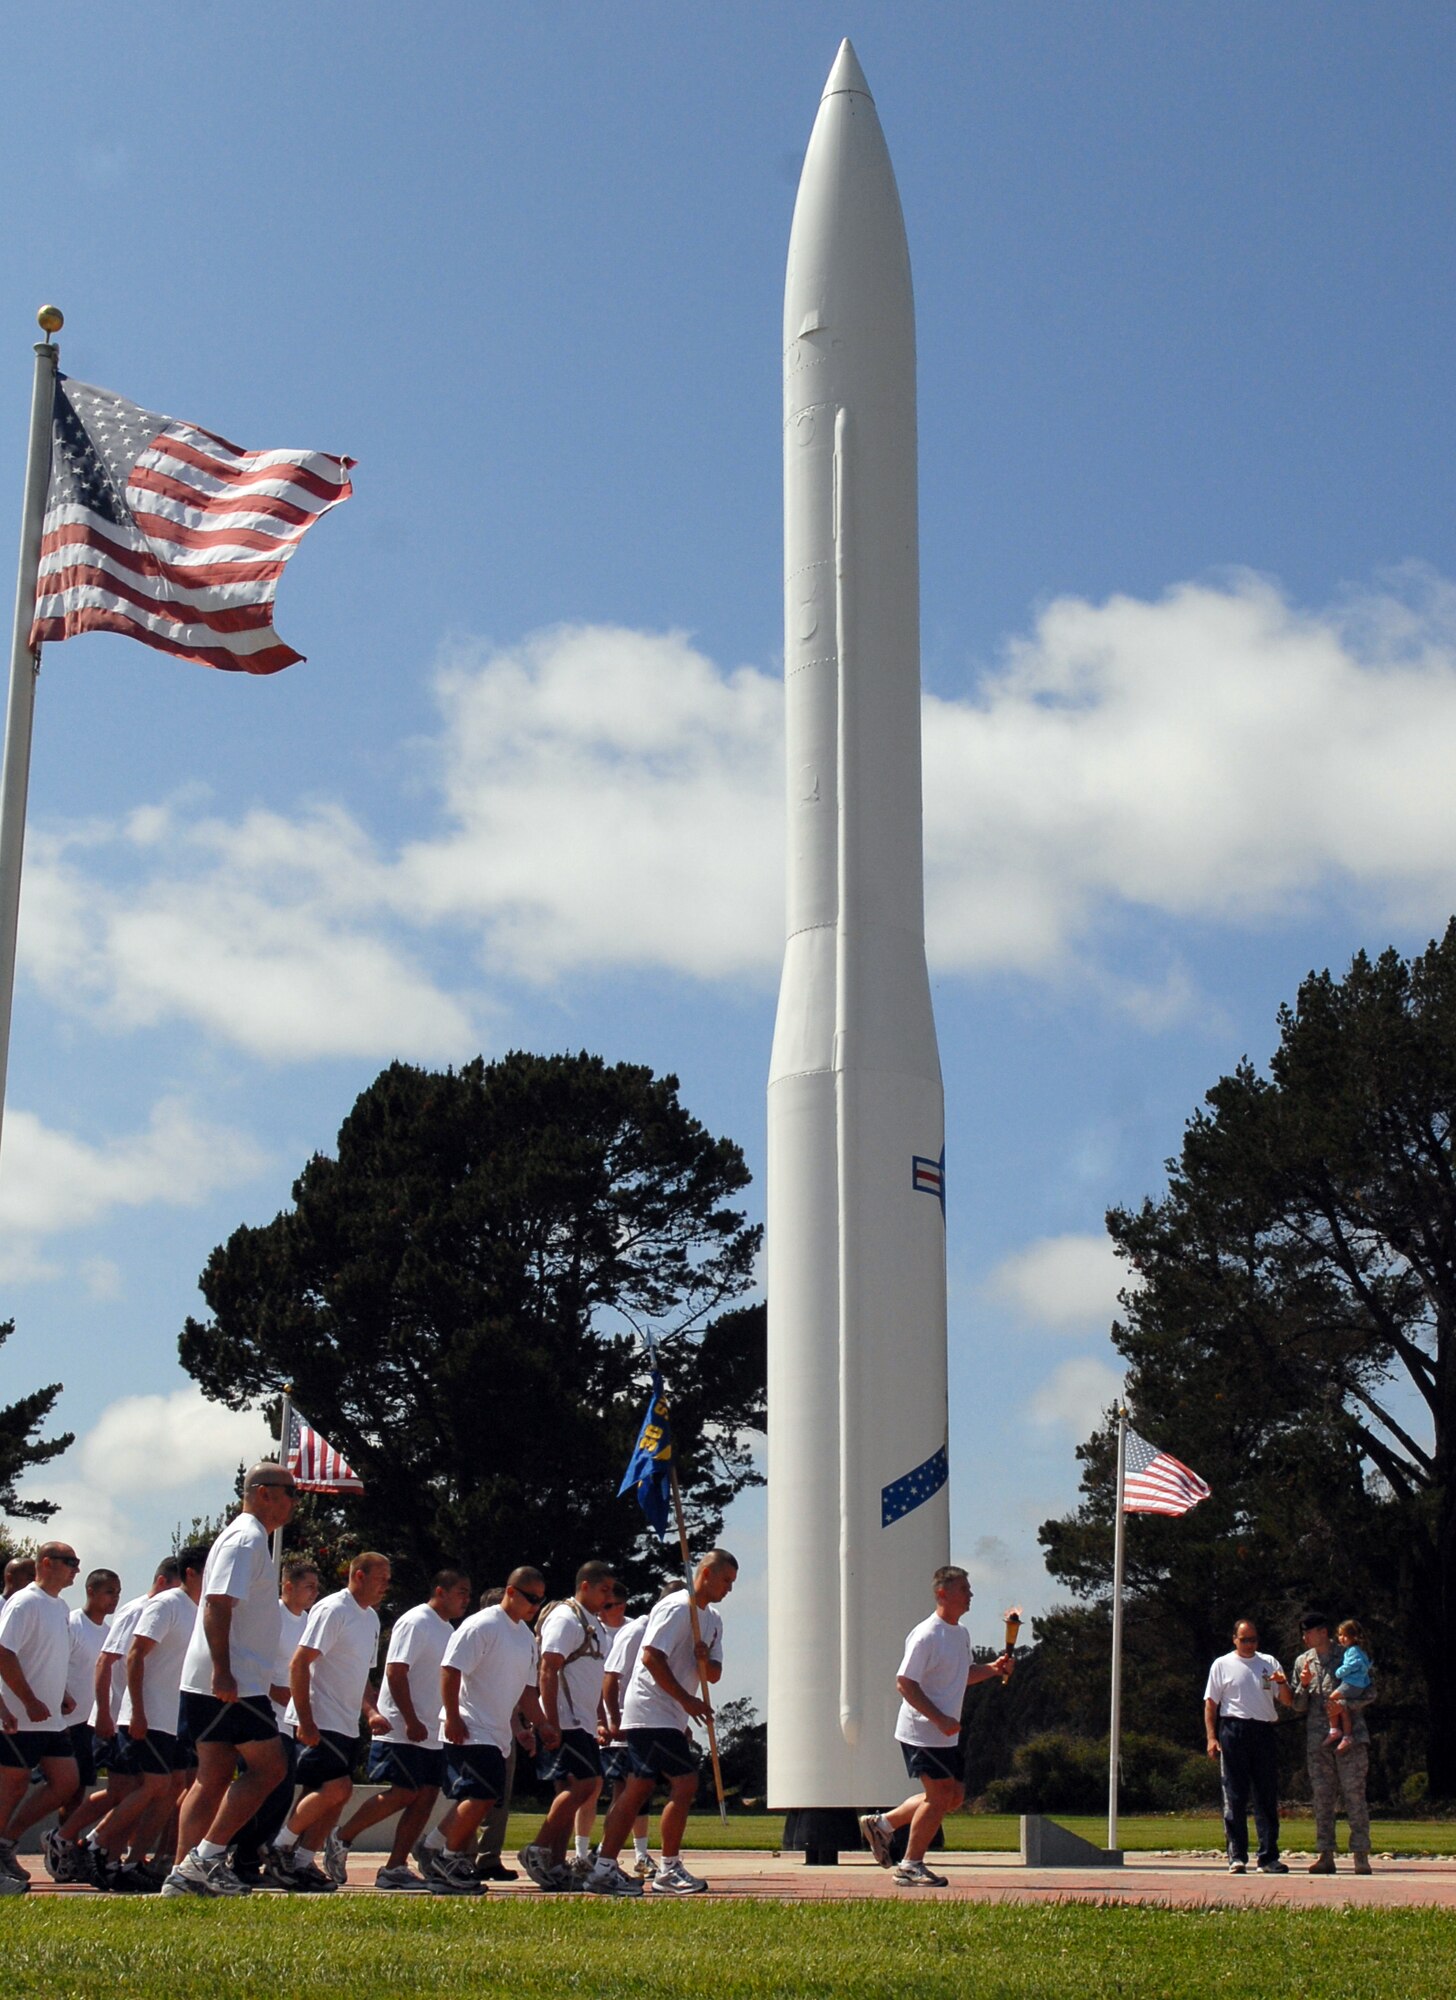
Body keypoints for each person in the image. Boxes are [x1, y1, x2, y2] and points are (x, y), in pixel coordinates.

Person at [163, 1462, 297, 1897]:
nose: (296, 1501)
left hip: (220, 1680)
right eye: (290, 1493)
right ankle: (202, 1860)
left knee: (214, 1774)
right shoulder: (247, 1538)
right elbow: (218, 1604)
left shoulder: (250, 1538)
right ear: (262, 1493)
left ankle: (183, 1874)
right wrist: (224, 1670)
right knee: (271, 1768)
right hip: (231, 1681)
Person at [585, 1549, 738, 1899]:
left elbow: (713, 1673)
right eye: (726, 1580)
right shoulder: (675, 1607)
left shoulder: (712, 1620)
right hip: (651, 1710)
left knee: (638, 1788)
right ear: (706, 1574)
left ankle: (605, 1866)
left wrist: (702, 1663)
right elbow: (651, 1657)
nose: (729, 1589)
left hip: (671, 1715)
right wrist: (686, 1699)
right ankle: (667, 1868)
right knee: (684, 1783)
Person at [859, 1564, 1014, 1887]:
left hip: (945, 1734)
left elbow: (961, 1676)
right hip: (922, 1731)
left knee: (953, 1796)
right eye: (963, 1589)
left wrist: (993, 1669)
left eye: (969, 1589)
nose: (970, 1595)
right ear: (942, 1593)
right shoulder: (927, 1634)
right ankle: (910, 1865)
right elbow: (905, 1682)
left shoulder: (959, 1634)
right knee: (939, 1795)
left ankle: (883, 1825)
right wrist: (938, 1718)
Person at [337, 1568, 472, 1892]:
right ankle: (341, 1837)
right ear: (440, 1591)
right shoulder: (417, 1621)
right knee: (404, 1791)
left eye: (468, 1593)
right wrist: (410, 1719)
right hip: (403, 1726)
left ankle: (395, 1867)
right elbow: (396, 1672)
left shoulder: (447, 1629)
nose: (466, 1599)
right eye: (461, 1592)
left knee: (426, 1796)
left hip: (430, 1730)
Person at [263, 1552, 391, 1892]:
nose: (386, 1586)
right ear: (359, 1576)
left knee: (330, 1796)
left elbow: (362, 1674)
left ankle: (303, 1861)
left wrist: (370, 1712)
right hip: (321, 1717)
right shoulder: (333, 1610)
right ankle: (278, 1847)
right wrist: (305, 1720)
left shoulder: (371, 1619)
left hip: (346, 1722)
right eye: (381, 1578)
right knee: (338, 1789)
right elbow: (299, 1663)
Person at [425, 1567, 553, 1895]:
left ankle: (433, 1847)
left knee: (480, 1796)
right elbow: (451, 1670)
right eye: (530, 1598)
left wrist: (540, 1724)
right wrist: (452, 1717)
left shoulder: (525, 1637)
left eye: (540, 1600)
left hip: (497, 1734)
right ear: (511, 1592)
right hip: (470, 1727)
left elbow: (526, 1691)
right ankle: (450, 1858)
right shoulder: (482, 1625)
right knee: (482, 1794)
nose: (535, 1606)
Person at [88, 1545, 207, 1890]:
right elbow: (135, 1655)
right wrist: (136, 1710)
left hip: (173, 1719)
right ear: (190, 1573)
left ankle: (133, 1862)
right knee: (154, 1785)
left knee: (169, 1790)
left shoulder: (198, 1611)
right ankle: (96, 1842)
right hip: (148, 1715)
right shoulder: (166, 1604)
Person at [519, 1560, 617, 1892]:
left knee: (579, 1789)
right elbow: (548, 1668)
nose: (608, 1597)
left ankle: (556, 1862)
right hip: (566, 1719)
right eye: (603, 1589)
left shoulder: (595, 1625)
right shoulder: (566, 1618)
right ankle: (538, 1848)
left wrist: (601, 1719)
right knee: (585, 1784)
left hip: (584, 1722)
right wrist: (549, 1722)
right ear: (585, 1585)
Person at [230, 1557, 320, 1884]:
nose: (313, 1593)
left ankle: (253, 1856)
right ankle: (239, 1854)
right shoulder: (272, 1618)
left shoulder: (309, 1621)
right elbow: (248, 1657)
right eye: (308, 1586)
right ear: (287, 1586)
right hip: (265, 1713)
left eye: (315, 1587)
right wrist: (273, 1689)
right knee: (268, 1787)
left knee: (283, 1792)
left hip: (293, 1719)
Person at [0, 1540, 83, 1890]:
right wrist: (28, 1700)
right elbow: (4, 1652)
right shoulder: (24, 1602)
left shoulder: (60, 1607)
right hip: (22, 1716)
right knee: (12, 1785)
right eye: (69, 1562)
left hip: (50, 1719)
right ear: (46, 1563)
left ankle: (6, 1842)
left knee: (66, 1782)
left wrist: (60, 1693)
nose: (76, 1569)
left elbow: (47, 1655)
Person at [1203, 1617, 1293, 1874]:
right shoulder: (1222, 1664)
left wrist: (1282, 1682)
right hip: (1234, 1729)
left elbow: (1287, 1700)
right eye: (1244, 1639)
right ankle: (1237, 1856)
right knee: (1235, 1794)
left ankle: (1268, 1857)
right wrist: (1211, 1737)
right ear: (1234, 1639)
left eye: (1253, 1639)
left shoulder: (1269, 1663)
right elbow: (1211, 1704)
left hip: (1263, 1729)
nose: (1249, 1644)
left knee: (1266, 1795)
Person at [1291, 1610, 1373, 1875]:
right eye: (1303, 1633)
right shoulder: (1303, 1662)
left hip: (1350, 1739)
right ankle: (1326, 1854)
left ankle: (1360, 1854)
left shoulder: (1349, 1654)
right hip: (1319, 1742)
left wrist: (1343, 1705)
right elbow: (1297, 1706)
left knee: (1354, 1795)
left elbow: (1370, 1692)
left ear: (1323, 1632)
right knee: (1322, 1798)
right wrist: (1303, 1686)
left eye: (1309, 1632)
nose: (1304, 1637)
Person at [47, 1567, 119, 1857]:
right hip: (71, 1721)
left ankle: (70, 1846)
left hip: (96, 1722)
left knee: (83, 1789)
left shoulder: (110, 1632)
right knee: (70, 1790)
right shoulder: (73, 1623)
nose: (114, 1599)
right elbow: (58, 1664)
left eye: (117, 1593)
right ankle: (62, 1847)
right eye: (109, 1592)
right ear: (91, 1591)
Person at [593, 1583, 656, 1880]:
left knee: (639, 1788)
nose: (603, 1611)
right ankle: (603, 1852)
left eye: (609, 1605)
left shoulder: (636, 1628)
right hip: (618, 1721)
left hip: (640, 1720)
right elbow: (607, 1680)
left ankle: (639, 1853)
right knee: (622, 1789)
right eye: (601, 1606)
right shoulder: (604, 1633)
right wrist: (608, 1720)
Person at [1324, 1618, 1373, 1753]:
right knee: (1343, 1707)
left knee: (1331, 1699)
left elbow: (1352, 1665)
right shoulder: (1361, 1651)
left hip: (1351, 1684)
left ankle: (1334, 1729)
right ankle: (1347, 1735)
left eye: (1346, 1635)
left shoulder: (1353, 1651)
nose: (1342, 1638)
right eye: (1340, 1635)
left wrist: (1339, 1672)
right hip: (1357, 1684)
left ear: (1354, 1636)